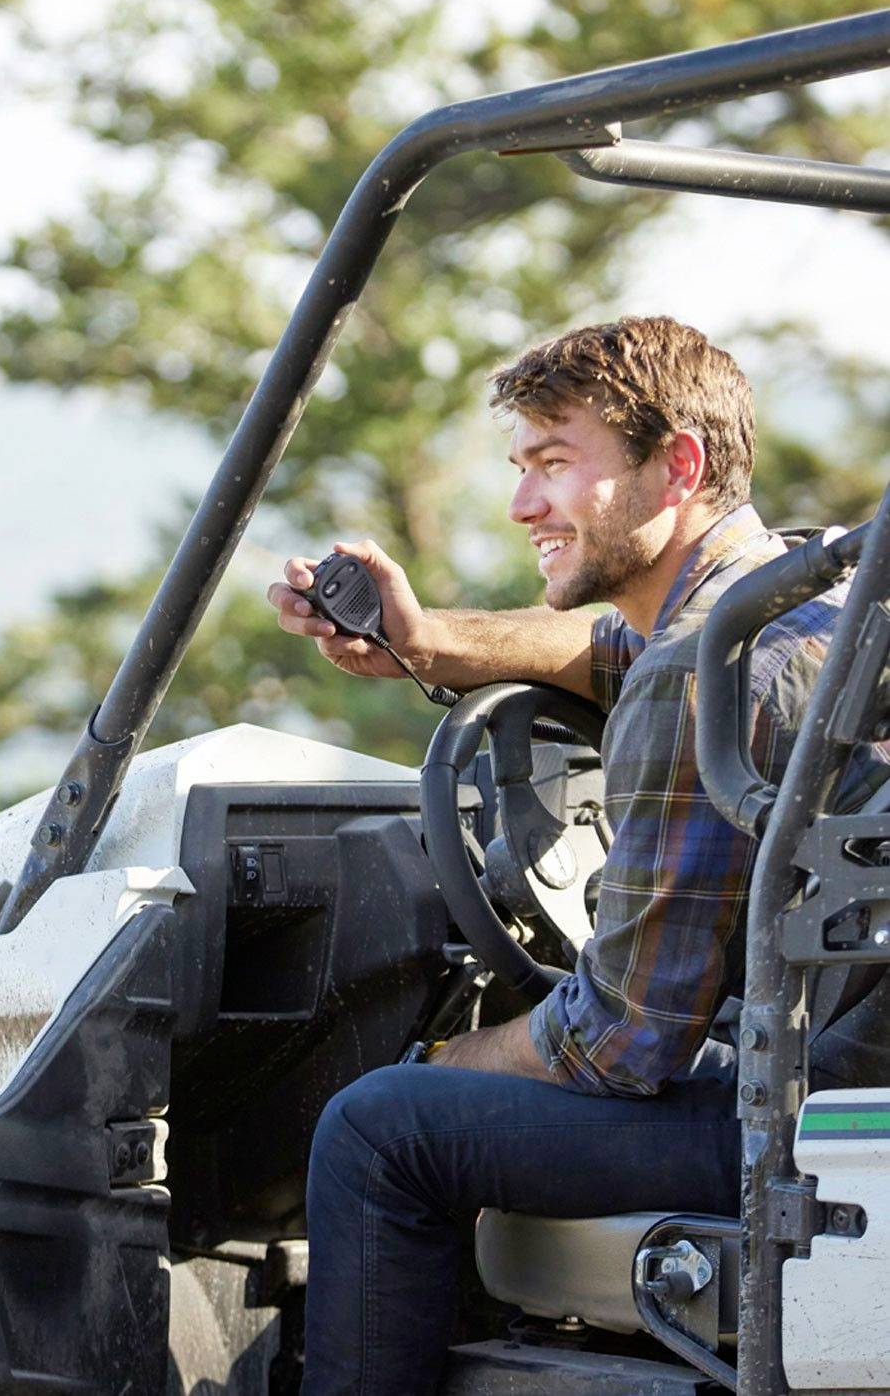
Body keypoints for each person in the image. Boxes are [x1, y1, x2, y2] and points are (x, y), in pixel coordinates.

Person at [266, 314, 889, 1396]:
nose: (521, 505)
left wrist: (452, 1059)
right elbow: (613, 647)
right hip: (849, 1071)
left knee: (380, 1129)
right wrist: (423, 642)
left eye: (556, 465)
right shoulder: (814, 593)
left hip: (806, 1118)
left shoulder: (701, 675)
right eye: (520, 467)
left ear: (676, 465)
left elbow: (620, 1045)